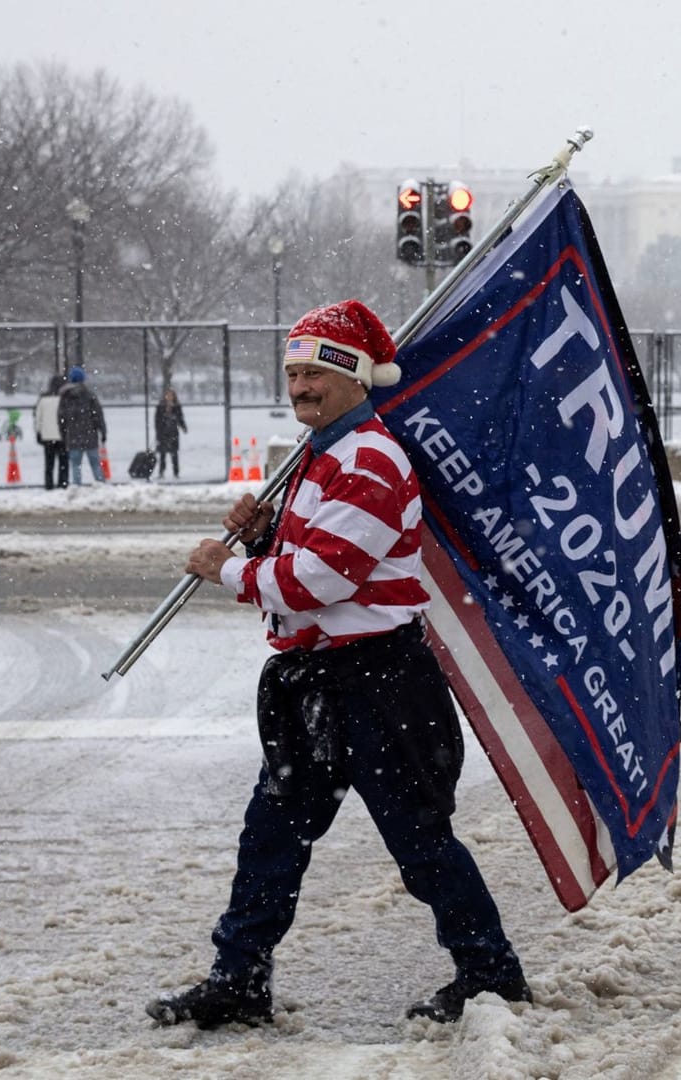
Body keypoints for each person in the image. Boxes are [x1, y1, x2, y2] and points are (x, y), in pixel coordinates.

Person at [149, 299, 527, 1030]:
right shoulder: (322, 456)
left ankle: (492, 976)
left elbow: (321, 583)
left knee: (420, 843)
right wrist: (263, 542)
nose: (300, 388)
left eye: (316, 373)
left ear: (355, 377)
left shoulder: (371, 459)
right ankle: (239, 979)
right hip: (316, 683)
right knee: (272, 835)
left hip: (380, 682)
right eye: (292, 373)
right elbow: (301, 570)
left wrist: (224, 569)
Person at [58, 366, 106, 485]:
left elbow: (61, 417)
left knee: (75, 465)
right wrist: (103, 431)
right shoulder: (89, 395)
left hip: (73, 436)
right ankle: (101, 485)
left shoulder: (66, 396)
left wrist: (63, 432)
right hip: (90, 435)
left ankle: (77, 487)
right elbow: (98, 415)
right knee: (95, 464)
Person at [33, 373, 68, 489]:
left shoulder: (43, 398)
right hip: (62, 435)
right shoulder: (65, 398)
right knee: (63, 463)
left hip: (47, 435)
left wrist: (38, 431)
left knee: (49, 464)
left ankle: (49, 485)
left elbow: (38, 417)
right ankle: (62, 484)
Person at [153, 387, 187, 479]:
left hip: (173, 433)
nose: (169, 397)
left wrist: (183, 427)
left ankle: (176, 472)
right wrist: (158, 430)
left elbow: (180, 418)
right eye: (167, 395)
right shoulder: (160, 406)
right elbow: (157, 420)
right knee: (162, 454)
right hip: (163, 433)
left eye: (171, 395)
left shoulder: (177, 406)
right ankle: (161, 472)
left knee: (174, 454)